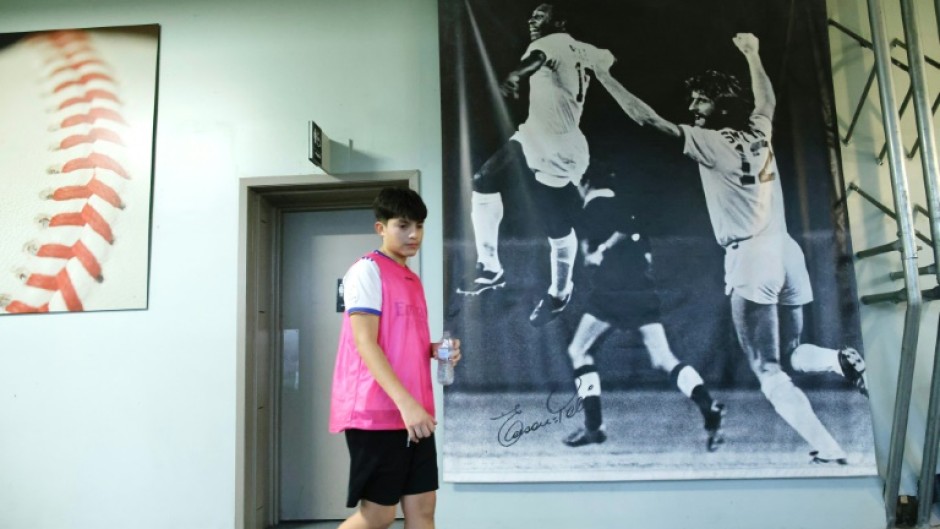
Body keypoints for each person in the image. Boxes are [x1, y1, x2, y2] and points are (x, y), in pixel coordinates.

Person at [592, 33, 867, 464]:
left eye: (701, 100)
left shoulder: (712, 141)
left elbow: (646, 120)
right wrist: (753, 54)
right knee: (792, 353)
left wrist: (604, 75)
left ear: (720, 107)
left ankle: (829, 448)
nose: (693, 106)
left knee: (767, 369)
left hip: (751, 257)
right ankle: (837, 361)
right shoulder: (758, 132)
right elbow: (766, 101)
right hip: (786, 250)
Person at [457, 2, 615, 328]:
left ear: (559, 21)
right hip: (534, 134)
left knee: (555, 225)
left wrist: (515, 74)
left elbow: (537, 59)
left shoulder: (548, 42)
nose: (532, 20)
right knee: (483, 178)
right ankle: (490, 266)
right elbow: (608, 58)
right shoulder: (583, 49)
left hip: (558, 148)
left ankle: (561, 291)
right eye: (532, 15)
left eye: (540, 15)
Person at [329, 187, 461, 529]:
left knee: (423, 510)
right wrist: (407, 405)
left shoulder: (411, 278)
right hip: (379, 413)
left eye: (419, 225)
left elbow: (398, 341)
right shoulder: (367, 271)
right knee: (378, 515)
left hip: (415, 414)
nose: (413, 234)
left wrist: (433, 349)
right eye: (403, 225)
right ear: (381, 228)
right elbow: (365, 343)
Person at [563, 192, 726, 451]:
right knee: (663, 358)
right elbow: (643, 251)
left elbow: (617, 233)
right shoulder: (621, 205)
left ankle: (594, 427)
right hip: (642, 291)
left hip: (613, 291)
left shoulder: (596, 204)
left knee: (578, 350)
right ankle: (708, 405)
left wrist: (600, 250)